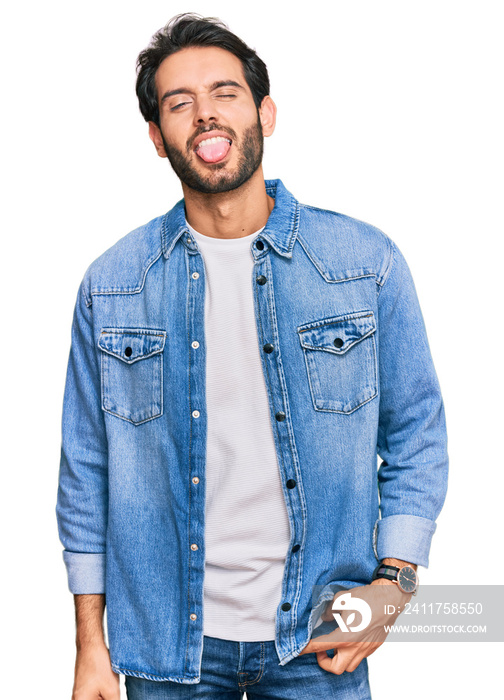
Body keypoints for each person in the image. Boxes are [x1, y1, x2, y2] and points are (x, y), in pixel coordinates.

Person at [56, 13, 449, 700]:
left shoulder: (364, 264)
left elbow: (416, 430)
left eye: (225, 93)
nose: (205, 114)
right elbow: (86, 473)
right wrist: (91, 645)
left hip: (318, 635)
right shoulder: (113, 285)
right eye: (179, 103)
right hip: (165, 647)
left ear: (265, 111)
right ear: (157, 137)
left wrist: (398, 583)